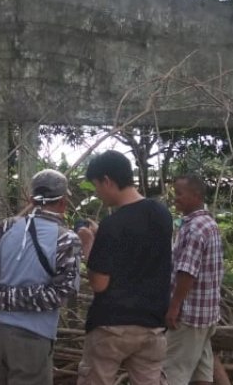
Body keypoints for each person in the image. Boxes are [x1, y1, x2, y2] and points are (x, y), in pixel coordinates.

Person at [0, 169, 83, 385]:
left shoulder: (4, 228)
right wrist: (9, 298)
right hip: (34, 340)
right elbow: (60, 295)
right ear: (63, 202)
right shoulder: (67, 240)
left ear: (30, 199)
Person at [78, 150, 172, 385]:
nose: (98, 193)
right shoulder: (162, 214)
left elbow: (100, 284)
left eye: (97, 186)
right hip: (152, 325)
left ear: (107, 180)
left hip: (112, 326)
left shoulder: (113, 224)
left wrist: (89, 245)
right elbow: (139, 252)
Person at [164, 174, 224, 385]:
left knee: (171, 371)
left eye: (179, 194)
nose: (175, 198)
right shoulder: (209, 224)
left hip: (189, 316)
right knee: (201, 372)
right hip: (206, 316)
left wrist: (174, 306)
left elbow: (187, 272)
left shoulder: (195, 228)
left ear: (196, 196)